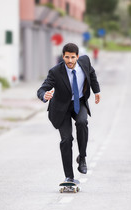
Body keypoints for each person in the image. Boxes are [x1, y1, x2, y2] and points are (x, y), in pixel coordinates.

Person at [37, 43, 101, 183]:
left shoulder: (85, 62)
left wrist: (97, 91)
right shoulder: (55, 72)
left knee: (82, 122)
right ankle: (69, 176)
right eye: (67, 57)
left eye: (73, 57)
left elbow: (91, 73)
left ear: (77, 56)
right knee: (66, 140)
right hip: (61, 108)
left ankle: (82, 158)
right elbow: (42, 89)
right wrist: (44, 95)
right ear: (63, 57)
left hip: (79, 101)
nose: (70, 61)